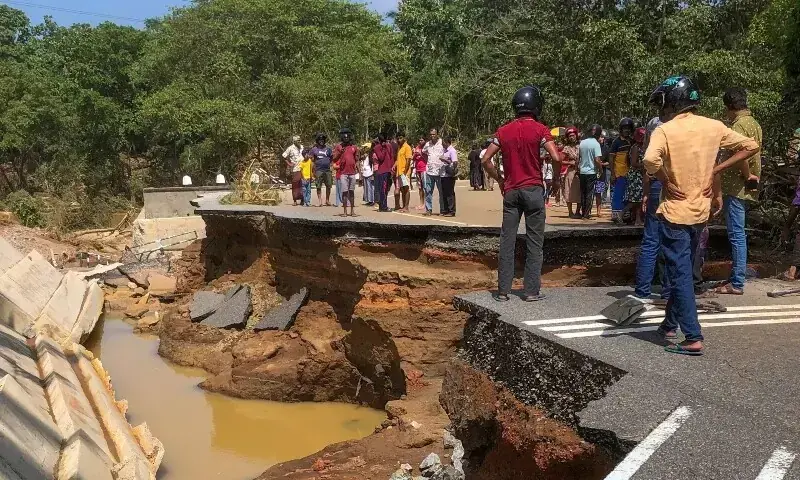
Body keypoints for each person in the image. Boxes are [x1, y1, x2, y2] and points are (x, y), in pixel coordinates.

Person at [643, 75, 760, 356]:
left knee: (679, 272)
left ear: (672, 102)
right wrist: (715, 171)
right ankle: (669, 325)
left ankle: (692, 336)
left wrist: (665, 179)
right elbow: (751, 146)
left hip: (675, 211)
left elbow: (649, 161)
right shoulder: (714, 126)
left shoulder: (665, 130)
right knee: (682, 267)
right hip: (701, 210)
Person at [482, 85, 559, 302]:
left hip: (512, 191)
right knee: (535, 242)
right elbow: (556, 157)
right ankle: (531, 291)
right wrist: (555, 178)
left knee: (508, 240)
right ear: (536, 106)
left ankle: (503, 291)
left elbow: (485, 160)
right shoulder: (540, 130)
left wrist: (500, 179)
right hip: (534, 190)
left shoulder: (503, 131)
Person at [713, 87, 762, 295]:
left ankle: (737, 283)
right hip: (744, 185)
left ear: (730, 107)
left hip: (736, 185)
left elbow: (741, 152)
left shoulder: (739, 125)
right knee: (738, 234)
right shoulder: (754, 123)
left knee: (736, 235)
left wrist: (746, 173)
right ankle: (736, 277)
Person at [609, 118, 635, 223]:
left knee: (628, 196)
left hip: (631, 174)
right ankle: (616, 216)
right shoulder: (616, 142)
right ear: (621, 129)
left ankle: (626, 216)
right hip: (619, 173)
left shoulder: (633, 141)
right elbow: (611, 158)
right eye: (624, 128)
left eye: (628, 128)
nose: (626, 130)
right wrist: (612, 174)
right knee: (618, 195)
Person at [578, 125, 604, 220]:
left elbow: (578, 158)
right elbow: (597, 160)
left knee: (583, 193)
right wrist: (600, 170)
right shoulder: (596, 144)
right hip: (591, 172)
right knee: (589, 193)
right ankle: (586, 214)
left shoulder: (582, 143)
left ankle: (583, 212)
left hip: (582, 171)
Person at [333, 128, 360, 216]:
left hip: (352, 173)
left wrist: (360, 173)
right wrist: (340, 153)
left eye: (347, 135)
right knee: (344, 192)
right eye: (344, 135)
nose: (346, 137)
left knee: (351, 192)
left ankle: (352, 211)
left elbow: (357, 160)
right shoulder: (339, 147)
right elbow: (334, 159)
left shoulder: (354, 147)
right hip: (343, 173)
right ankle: (344, 211)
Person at [624, 127, 646, 225]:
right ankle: (621, 214)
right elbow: (633, 163)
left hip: (641, 175)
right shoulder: (636, 148)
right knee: (635, 200)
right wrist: (645, 165)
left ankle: (638, 219)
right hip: (635, 176)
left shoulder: (642, 147)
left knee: (639, 199)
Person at [423, 129, 445, 215]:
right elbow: (423, 152)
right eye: (431, 134)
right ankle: (429, 209)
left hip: (440, 171)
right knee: (428, 191)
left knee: (441, 192)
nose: (432, 136)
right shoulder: (427, 144)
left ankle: (442, 209)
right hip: (430, 171)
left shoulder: (441, 143)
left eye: (434, 134)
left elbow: (447, 151)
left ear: (437, 134)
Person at [372, 133, 394, 212]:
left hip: (388, 170)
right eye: (382, 141)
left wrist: (392, 168)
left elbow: (391, 157)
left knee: (386, 189)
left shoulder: (389, 146)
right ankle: (383, 207)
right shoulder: (377, 148)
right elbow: (381, 158)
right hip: (382, 171)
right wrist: (383, 148)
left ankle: (383, 205)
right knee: (383, 189)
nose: (383, 142)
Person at [562, 127, 581, 217]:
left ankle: (578, 211)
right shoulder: (566, 148)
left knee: (579, 192)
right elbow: (560, 160)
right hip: (570, 172)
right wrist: (569, 162)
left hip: (580, 172)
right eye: (569, 136)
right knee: (568, 191)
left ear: (576, 136)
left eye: (573, 135)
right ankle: (570, 212)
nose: (571, 137)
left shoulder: (581, 146)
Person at [310, 133, 334, 207]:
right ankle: (320, 201)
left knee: (329, 185)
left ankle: (327, 200)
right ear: (317, 140)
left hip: (327, 170)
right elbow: (312, 160)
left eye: (323, 140)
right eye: (320, 140)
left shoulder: (328, 149)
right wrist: (312, 171)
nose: (321, 141)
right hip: (318, 170)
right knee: (318, 186)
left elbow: (332, 158)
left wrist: (331, 166)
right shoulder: (314, 149)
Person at [394, 132, 413, 212]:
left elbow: (408, 160)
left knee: (406, 189)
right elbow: (398, 160)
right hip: (399, 172)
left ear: (404, 138)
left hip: (405, 172)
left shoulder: (407, 147)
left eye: (400, 138)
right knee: (402, 189)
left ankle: (406, 207)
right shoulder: (399, 147)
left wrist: (405, 172)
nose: (399, 140)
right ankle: (403, 206)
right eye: (397, 138)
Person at [283, 135, 304, 206]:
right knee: (295, 184)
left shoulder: (302, 147)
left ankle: (302, 200)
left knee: (302, 184)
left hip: (303, 168)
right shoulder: (290, 148)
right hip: (295, 168)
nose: (300, 141)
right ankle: (295, 200)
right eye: (298, 140)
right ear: (294, 141)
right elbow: (284, 156)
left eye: (300, 140)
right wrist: (289, 163)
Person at [440, 136, 458, 216]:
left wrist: (445, 160)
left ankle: (451, 211)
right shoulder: (444, 151)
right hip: (443, 174)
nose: (442, 144)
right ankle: (446, 210)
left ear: (447, 142)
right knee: (444, 193)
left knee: (450, 193)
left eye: (443, 143)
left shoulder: (452, 151)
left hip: (449, 175)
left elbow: (455, 163)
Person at [593, 133, 610, 217]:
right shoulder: (593, 147)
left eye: (602, 137)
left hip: (601, 173)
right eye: (599, 137)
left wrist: (602, 164)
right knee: (589, 192)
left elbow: (608, 161)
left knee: (599, 192)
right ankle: (586, 210)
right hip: (591, 172)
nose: (600, 139)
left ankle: (598, 211)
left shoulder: (606, 148)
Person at [413, 138, 427, 210]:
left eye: (422, 140)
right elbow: (413, 158)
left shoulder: (426, 148)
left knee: (425, 187)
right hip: (417, 169)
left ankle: (426, 204)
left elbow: (427, 159)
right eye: (420, 140)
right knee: (420, 188)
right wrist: (415, 154)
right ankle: (421, 203)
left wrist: (421, 154)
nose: (420, 141)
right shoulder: (417, 147)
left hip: (424, 169)